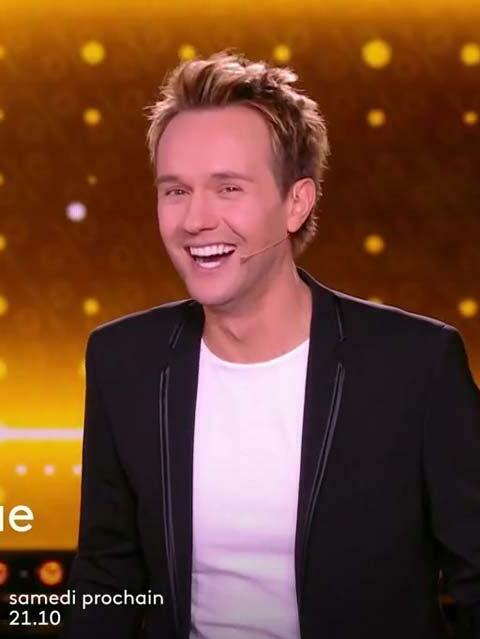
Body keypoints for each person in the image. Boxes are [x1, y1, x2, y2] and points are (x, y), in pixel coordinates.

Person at [59, 49, 480, 639]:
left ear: (296, 203)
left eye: (228, 187)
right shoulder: (123, 361)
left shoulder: (416, 367)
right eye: (175, 191)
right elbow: (106, 578)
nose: (195, 220)